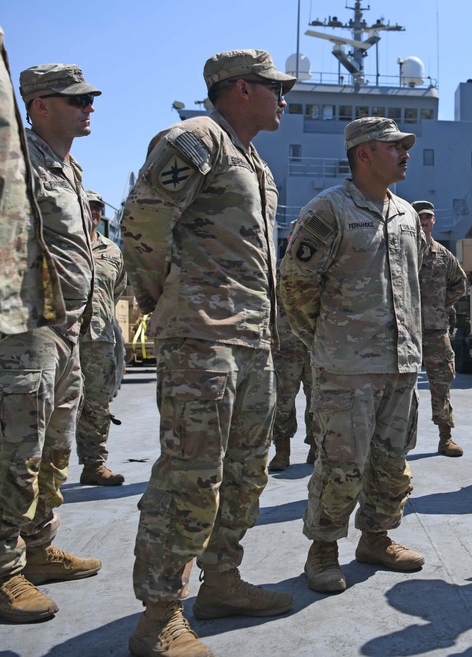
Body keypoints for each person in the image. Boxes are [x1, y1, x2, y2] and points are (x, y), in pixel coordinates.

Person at [122, 49, 296, 656]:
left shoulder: (257, 165)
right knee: (190, 475)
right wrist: (166, 298)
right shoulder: (197, 140)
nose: (285, 99)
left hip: (252, 340)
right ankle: (161, 613)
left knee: (246, 472)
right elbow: (143, 221)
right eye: (277, 88)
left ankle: (221, 581)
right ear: (242, 89)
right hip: (201, 338)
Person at [280, 116, 426, 595]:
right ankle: (322, 549)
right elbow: (296, 288)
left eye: (405, 147)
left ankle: (376, 538)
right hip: (346, 368)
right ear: (364, 153)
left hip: (401, 363)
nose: (405, 153)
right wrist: (326, 343)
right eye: (394, 147)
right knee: (341, 465)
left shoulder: (406, 214)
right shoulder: (328, 211)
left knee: (391, 461)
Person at [0, 61, 102, 624]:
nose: (89, 108)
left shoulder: (69, 169)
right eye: (76, 100)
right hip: (25, 334)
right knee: (17, 455)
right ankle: (3, 573)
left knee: (54, 453)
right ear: (39, 105)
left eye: (89, 100)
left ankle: (37, 549)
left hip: (69, 334)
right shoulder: (17, 165)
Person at [76, 190, 127, 486]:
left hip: (100, 340)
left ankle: (94, 464)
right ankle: (42, 471)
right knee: (53, 405)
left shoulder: (112, 251)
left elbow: (116, 290)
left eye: (97, 209)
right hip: (64, 337)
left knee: (97, 404)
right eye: (87, 208)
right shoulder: (62, 244)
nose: (93, 214)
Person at [415, 200, 467, 457]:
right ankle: (396, 442)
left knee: (442, 383)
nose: (423, 222)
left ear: (433, 221)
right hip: (404, 330)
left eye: (427, 218)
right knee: (398, 388)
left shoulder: (443, 255)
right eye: (419, 218)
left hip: (436, 330)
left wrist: (440, 305)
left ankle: (445, 437)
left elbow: (460, 283)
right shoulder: (400, 251)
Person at [269, 242, 318, 472]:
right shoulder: (276, 269)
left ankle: (316, 446)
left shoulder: (320, 268)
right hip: (285, 346)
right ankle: (282, 449)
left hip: (314, 346)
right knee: (282, 400)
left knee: (317, 399)